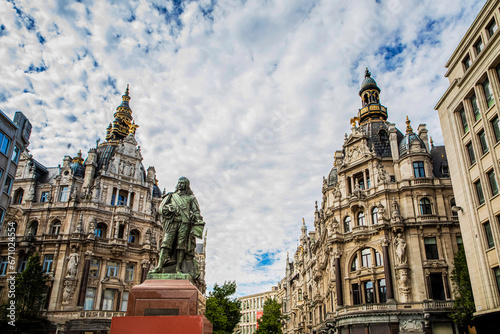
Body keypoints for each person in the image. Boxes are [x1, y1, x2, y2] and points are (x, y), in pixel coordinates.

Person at [151, 177, 205, 274]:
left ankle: (178, 268)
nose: (180, 184)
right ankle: (159, 267)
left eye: (182, 183)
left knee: (181, 246)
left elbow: (197, 212)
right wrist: (169, 209)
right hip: (172, 222)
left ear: (186, 185)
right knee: (165, 243)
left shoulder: (191, 198)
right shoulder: (171, 196)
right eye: (179, 183)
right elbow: (161, 209)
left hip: (184, 223)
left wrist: (194, 216)